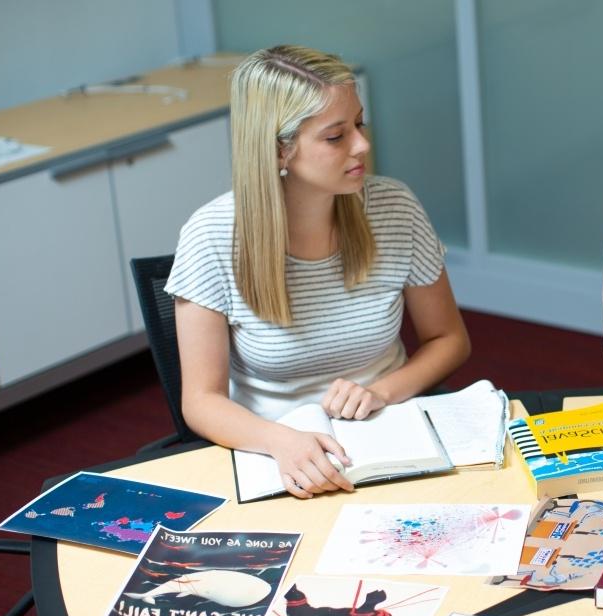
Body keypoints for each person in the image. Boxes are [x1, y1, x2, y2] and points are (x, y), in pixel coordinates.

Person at [166, 46, 470, 498]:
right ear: (278, 151)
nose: (363, 145)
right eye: (335, 136)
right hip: (274, 452)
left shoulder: (394, 207)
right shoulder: (211, 237)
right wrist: (279, 442)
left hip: (390, 434)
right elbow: (201, 401)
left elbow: (449, 340)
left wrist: (383, 392)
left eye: (359, 124)